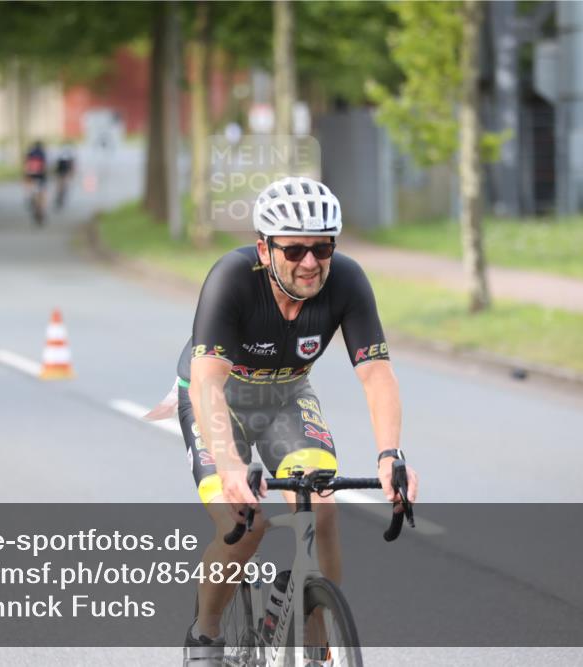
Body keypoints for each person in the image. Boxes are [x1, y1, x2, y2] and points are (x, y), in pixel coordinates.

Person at [173, 176, 419, 664]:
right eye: (294, 250)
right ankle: (206, 633)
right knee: (245, 522)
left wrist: (390, 454)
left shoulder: (347, 279)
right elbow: (206, 384)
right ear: (264, 250)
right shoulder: (232, 276)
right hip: (217, 399)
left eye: (322, 248)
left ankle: (315, 635)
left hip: (287, 396)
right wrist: (228, 465)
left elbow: (376, 374)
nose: (310, 262)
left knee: (323, 506)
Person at [23, 140, 48, 224]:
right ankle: (41, 209)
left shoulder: (29, 153)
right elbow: (45, 165)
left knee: (32, 191)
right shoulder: (42, 153)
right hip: (41, 176)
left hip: (31, 175)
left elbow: (26, 166)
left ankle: (33, 201)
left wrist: (26, 176)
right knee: (42, 194)